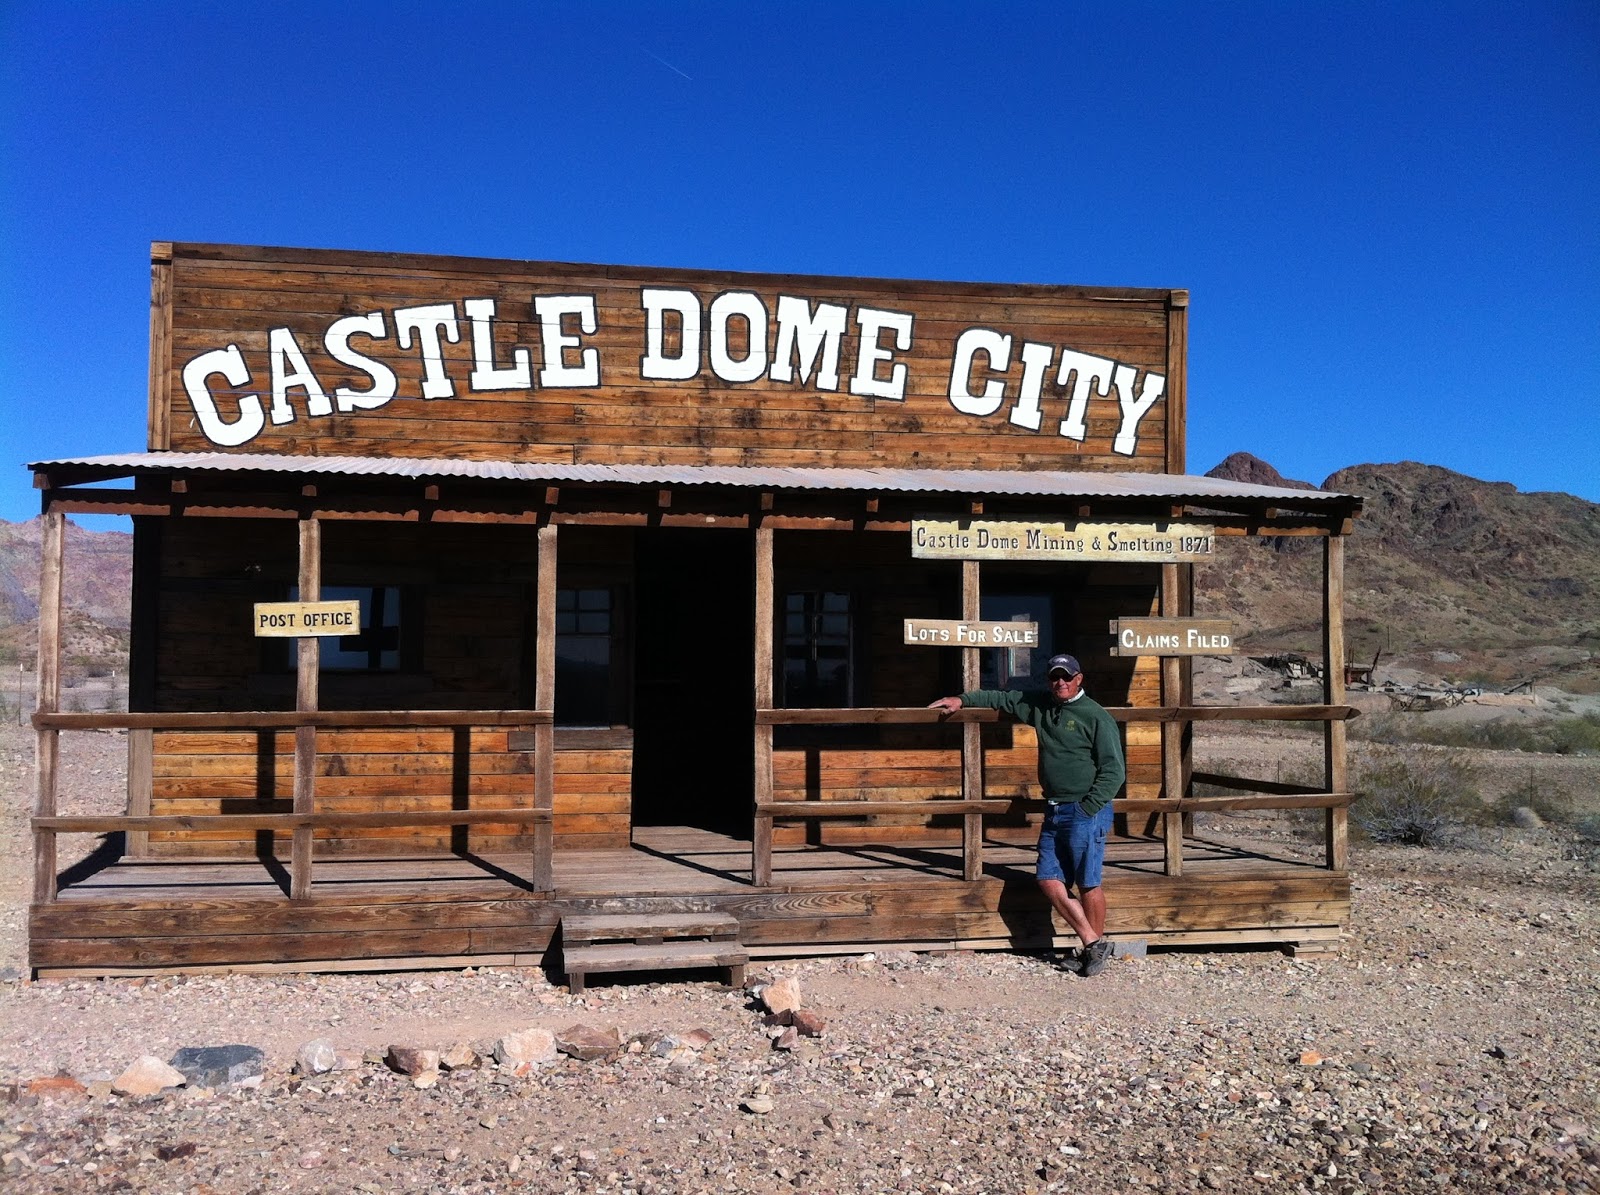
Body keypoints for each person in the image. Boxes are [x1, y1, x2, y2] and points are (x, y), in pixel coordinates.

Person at [929, 653, 1125, 977]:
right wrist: (961, 700)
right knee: (1048, 878)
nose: (1060, 682)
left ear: (1079, 678)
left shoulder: (1095, 716)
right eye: (1054, 677)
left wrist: (1089, 806)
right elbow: (1001, 697)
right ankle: (1092, 942)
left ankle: (1092, 951)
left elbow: (1114, 771)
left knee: (1088, 881)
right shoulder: (1041, 705)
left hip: (1085, 809)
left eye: (1066, 676)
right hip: (1055, 808)